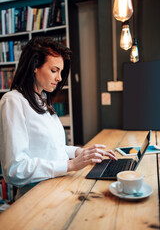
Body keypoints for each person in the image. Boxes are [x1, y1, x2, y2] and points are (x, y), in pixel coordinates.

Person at [0, 37, 117, 200]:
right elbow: (15, 169)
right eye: (54, 70)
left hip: (56, 188)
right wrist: (70, 165)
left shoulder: (42, 99)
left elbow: (52, 148)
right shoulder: (13, 100)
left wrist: (81, 152)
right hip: (35, 199)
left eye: (61, 72)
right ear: (35, 66)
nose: (60, 78)